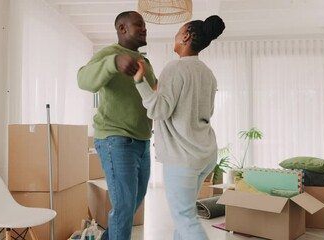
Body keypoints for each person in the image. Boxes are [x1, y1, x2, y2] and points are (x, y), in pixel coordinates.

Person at [133, 15, 225, 240]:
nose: (175, 34)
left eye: (178, 29)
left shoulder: (175, 68)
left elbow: (159, 111)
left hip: (183, 158)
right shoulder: (207, 73)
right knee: (184, 217)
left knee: (184, 218)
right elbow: (204, 112)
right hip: (205, 154)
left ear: (185, 36)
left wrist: (139, 81)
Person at [77, 11, 157, 240]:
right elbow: (83, 80)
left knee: (133, 202)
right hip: (117, 140)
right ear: (122, 29)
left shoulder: (145, 62)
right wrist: (113, 63)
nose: (144, 28)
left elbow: (151, 98)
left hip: (142, 141)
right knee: (123, 206)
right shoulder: (110, 54)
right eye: (138, 24)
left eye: (144, 25)